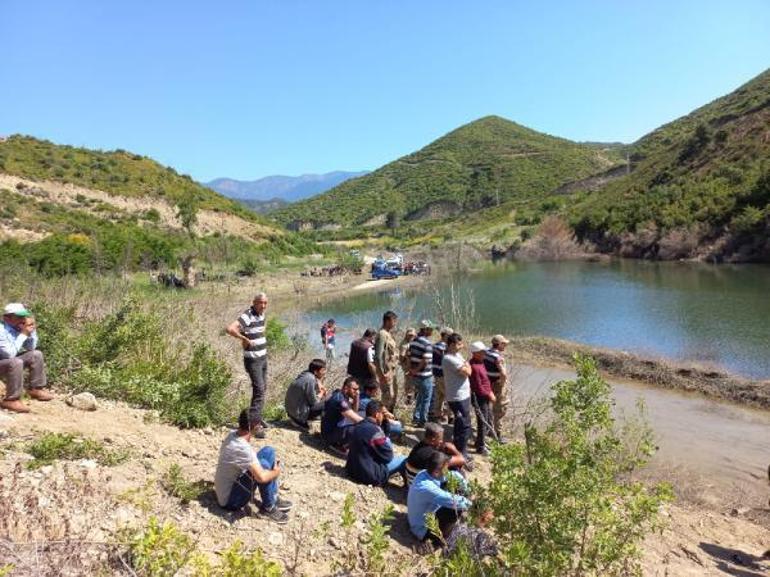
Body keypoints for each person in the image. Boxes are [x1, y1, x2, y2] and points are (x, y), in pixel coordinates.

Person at [214, 409, 293, 523]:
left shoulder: (233, 435)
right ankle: (268, 508)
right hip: (230, 500)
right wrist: (276, 472)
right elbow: (261, 477)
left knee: (268, 451)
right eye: (259, 423)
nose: (261, 425)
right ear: (252, 426)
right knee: (264, 465)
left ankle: (273, 499)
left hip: (231, 485)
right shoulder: (242, 448)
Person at [226, 293, 269, 438]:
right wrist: (243, 338)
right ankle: (254, 425)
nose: (262, 306)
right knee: (259, 389)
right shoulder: (248, 315)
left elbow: (261, 329)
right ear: (254, 302)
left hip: (262, 357)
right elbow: (230, 328)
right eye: (260, 303)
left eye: (265, 303)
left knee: (262, 389)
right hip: (253, 360)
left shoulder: (261, 315)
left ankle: (255, 417)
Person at [407, 452, 471, 548]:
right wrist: (473, 503)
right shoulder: (427, 487)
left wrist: (468, 490)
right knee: (455, 508)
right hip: (422, 530)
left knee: (456, 481)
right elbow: (456, 502)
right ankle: (440, 539)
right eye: (446, 468)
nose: (447, 470)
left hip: (425, 515)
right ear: (436, 472)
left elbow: (454, 475)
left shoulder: (425, 473)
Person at [0, 303, 53, 413]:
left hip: (8, 361)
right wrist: (24, 333)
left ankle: (36, 389)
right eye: (19, 316)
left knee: (36, 354)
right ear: (7, 318)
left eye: (23, 316)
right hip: (5, 361)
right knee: (16, 362)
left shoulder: (18, 328)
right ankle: (11, 400)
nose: (22, 319)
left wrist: (31, 332)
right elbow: (9, 354)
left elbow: (31, 347)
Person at [345, 400, 407, 486]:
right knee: (403, 459)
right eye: (383, 414)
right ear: (377, 415)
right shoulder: (375, 432)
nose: (384, 416)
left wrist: (385, 421)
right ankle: (407, 488)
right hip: (369, 475)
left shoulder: (357, 426)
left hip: (352, 471)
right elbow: (388, 457)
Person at [442, 333, 472, 460]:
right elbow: (468, 371)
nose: (462, 346)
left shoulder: (457, 355)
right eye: (459, 344)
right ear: (452, 345)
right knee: (463, 424)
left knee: (463, 423)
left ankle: (460, 449)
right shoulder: (449, 358)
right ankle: (460, 452)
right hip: (457, 396)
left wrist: (466, 366)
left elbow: (467, 368)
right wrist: (466, 366)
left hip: (464, 394)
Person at [321, 376, 364, 455]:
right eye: (354, 389)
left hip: (333, 427)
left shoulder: (342, 395)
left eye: (358, 389)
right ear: (346, 388)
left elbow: (354, 412)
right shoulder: (339, 399)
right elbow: (355, 418)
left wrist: (357, 397)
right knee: (359, 428)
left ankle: (342, 442)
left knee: (363, 415)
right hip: (329, 434)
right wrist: (372, 425)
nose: (357, 392)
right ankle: (337, 444)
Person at [469, 341, 496, 456]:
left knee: (486, 419)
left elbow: (485, 381)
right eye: (482, 352)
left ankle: (480, 442)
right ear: (475, 353)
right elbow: (477, 386)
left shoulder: (481, 362)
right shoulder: (474, 366)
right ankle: (480, 447)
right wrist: (489, 394)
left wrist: (490, 392)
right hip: (479, 397)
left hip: (485, 396)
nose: (485, 353)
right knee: (482, 422)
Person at [285, 359, 328, 429]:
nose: (324, 372)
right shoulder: (310, 380)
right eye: (323, 370)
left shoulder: (305, 374)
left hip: (291, 413)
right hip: (299, 416)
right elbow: (314, 402)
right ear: (315, 372)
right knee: (329, 401)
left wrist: (320, 384)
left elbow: (316, 379)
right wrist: (321, 393)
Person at [409, 321, 435, 426]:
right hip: (425, 376)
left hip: (416, 376)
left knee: (420, 396)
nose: (432, 331)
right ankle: (422, 422)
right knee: (426, 399)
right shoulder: (427, 343)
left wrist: (412, 370)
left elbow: (409, 356)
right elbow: (426, 360)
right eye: (430, 329)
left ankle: (416, 417)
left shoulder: (413, 341)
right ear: (426, 330)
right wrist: (416, 370)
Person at [485, 335, 510, 441]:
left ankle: (487, 428)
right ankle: (497, 434)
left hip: (487, 383)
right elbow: (503, 373)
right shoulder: (498, 357)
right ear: (498, 344)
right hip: (497, 385)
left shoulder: (486, 352)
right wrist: (503, 383)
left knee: (487, 407)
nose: (505, 346)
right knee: (500, 409)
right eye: (504, 344)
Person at [374, 311, 399, 412]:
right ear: (388, 321)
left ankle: (389, 418)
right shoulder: (382, 334)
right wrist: (382, 374)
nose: (395, 323)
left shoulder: (388, 334)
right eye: (394, 321)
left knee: (393, 396)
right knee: (388, 397)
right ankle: (384, 420)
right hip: (386, 373)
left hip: (392, 371)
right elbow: (378, 357)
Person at [429, 327, 453, 424]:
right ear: (446, 336)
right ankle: (449, 417)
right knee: (449, 396)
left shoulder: (434, 346)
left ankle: (437, 416)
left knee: (439, 396)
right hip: (444, 375)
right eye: (450, 336)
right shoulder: (444, 348)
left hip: (436, 374)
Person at [399, 328, 417, 404]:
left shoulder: (413, 342)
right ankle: (408, 401)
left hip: (414, 366)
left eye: (412, 335)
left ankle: (415, 399)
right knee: (409, 384)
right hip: (408, 367)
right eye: (409, 335)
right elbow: (402, 357)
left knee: (415, 383)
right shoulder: (404, 344)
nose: (411, 336)